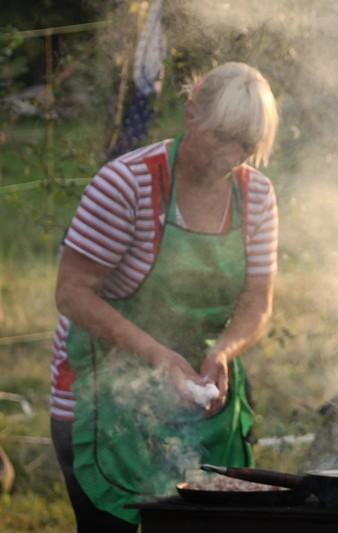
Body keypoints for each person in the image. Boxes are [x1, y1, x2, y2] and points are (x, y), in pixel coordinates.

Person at [49, 62, 279, 530]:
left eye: (245, 145)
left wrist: (223, 351)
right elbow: (72, 293)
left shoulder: (255, 195)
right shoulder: (126, 185)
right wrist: (158, 356)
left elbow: (257, 302)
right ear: (192, 114)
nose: (230, 155)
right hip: (102, 396)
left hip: (200, 399)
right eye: (222, 137)